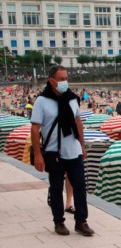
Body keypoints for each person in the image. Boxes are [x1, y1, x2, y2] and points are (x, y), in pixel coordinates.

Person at [31, 65, 94, 237]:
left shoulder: (72, 98)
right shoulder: (42, 101)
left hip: (74, 150)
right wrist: (38, 154)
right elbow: (35, 129)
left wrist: (82, 145)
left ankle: (81, 221)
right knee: (56, 188)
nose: (65, 82)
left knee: (80, 186)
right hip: (53, 151)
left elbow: (78, 121)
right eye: (61, 79)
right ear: (52, 81)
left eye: (66, 78)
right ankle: (59, 221)